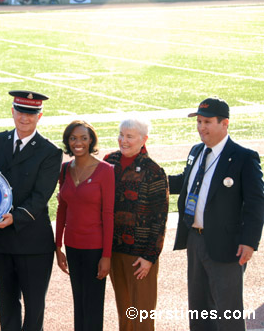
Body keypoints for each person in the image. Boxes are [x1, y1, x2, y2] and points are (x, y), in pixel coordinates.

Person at [169, 97, 264, 331]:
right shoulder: (196, 151)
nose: (201, 127)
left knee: (228, 312)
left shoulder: (243, 157)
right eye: (199, 121)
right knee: (199, 311)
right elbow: (186, 182)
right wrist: (153, 180)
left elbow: (256, 203)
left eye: (207, 122)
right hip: (195, 240)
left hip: (227, 245)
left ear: (225, 123)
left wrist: (249, 242)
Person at [0, 90, 63, 331]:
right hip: (0, 237)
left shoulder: (50, 151)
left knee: (34, 305)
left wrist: (13, 218)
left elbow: (40, 197)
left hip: (32, 241)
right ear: (12, 111)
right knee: (6, 303)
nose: (24, 118)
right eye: (20, 111)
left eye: (31, 113)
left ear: (40, 116)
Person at [103, 117, 169, 331]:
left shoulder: (154, 171)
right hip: (114, 251)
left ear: (143, 139)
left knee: (142, 315)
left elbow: (160, 219)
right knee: (125, 313)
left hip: (140, 256)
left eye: (130, 136)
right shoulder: (108, 162)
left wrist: (150, 257)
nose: (123, 140)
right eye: (121, 134)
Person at [55, 120, 114, 331]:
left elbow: (108, 215)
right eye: (73, 138)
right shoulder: (64, 169)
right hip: (72, 246)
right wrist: (58, 246)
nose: (78, 142)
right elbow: (62, 209)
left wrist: (106, 256)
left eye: (83, 138)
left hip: (95, 249)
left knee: (93, 305)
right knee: (78, 302)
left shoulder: (105, 170)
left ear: (91, 141)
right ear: (67, 142)